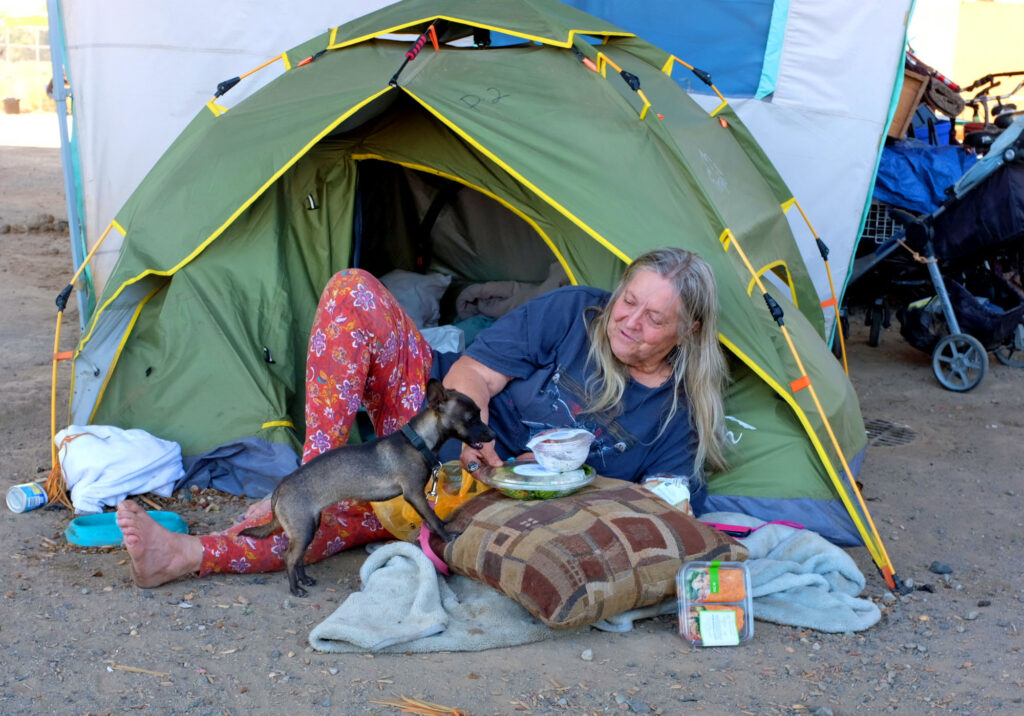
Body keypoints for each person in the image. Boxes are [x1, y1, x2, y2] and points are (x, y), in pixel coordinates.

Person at [116, 247, 728, 588]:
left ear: (688, 331)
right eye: (628, 300)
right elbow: (473, 376)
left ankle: (189, 555)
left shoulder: (675, 418)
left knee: (385, 516)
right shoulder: (574, 313)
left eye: (654, 318)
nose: (629, 321)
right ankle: (312, 481)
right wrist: (469, 441)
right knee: (354, 291)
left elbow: (662, 507)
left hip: (506, 500)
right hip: (438, 422)